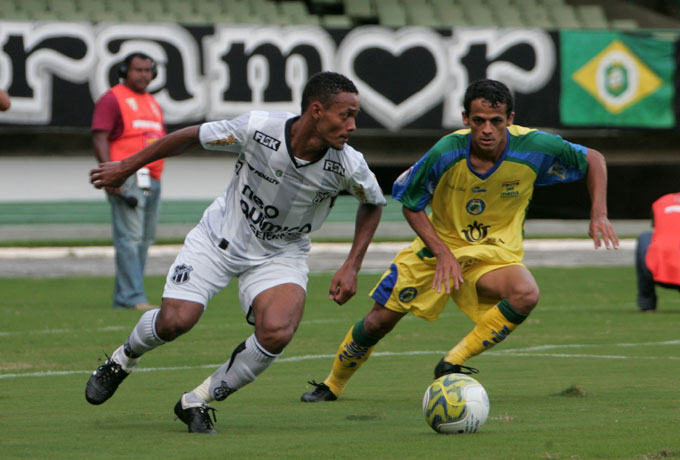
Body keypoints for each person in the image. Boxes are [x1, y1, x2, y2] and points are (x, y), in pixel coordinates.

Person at [85, 71, 386, 434]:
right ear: (317, 111)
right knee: (175, 321)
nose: (352, 126)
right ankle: (122, 360)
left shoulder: (349, 164)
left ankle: (196, 400)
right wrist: (126, 166)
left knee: (277, 331)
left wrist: (352, 264)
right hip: (218, 238)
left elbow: (373, 202)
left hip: (281, 253)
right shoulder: (259, 128)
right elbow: (189, 137)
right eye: (346, 115)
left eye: (355, 116)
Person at [300, 78, 619, 403]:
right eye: (478, 121)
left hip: (494, 253)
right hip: (436, 249)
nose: (487, 130)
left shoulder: (535, 147)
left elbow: (594, 158)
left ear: (510, 119)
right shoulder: (446, 151)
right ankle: (333, 384)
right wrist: (442, 253)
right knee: (378, 321)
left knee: (526, 294)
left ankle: (452, 362)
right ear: (466, 119)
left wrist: (599, 213)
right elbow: (411, 203)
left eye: (496, 121)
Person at [91, 52, 166, 310]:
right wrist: (110, 174)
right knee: (130, 238)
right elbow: (100, 137)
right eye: (138, 70)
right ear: (125, 71)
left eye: (148, 70)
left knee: (144, 239)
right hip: (127, 176)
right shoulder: (113, 98)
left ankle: (128, 294)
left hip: (152, 178)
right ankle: (130, 297)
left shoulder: (152, 102)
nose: (144, 75)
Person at [635, 192, 680, 312]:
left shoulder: (662, 201)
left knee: (646, 237)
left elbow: (656, 227)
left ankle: (646, 303)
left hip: (656, 273)